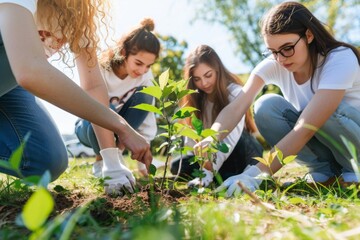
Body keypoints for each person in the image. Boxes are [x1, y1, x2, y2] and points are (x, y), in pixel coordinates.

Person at [195, 1, 360, 197]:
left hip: (354, 142)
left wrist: (255, 174)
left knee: (324, 111)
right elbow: (238, 105)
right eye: (273, 52)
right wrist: (213, 137)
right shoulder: (277, 63)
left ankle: (354, 173)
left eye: (287, 48)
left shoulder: (339, 58)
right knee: (266, 107)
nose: (281, 59)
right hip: (326, 141)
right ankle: (325, 174)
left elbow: (306, 128)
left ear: (308, 35)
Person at [0, 0, 152, 195]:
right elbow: (30, 70)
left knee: (46, 161)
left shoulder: (79, 12)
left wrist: (111, 160)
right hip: (21, 72)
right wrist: (120, 125)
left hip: (11, 86)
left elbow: (93, 85)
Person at [75, 18, 160, 182]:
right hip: (87, 126)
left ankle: (117, 154)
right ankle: (102, 161)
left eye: (148, 66)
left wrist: (143, 160)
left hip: (119, 129)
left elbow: (147, 112)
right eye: (138, 63)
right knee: (107, 108)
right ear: (124, 53)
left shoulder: (145, 77)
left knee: (146, 95)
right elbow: (90, 107)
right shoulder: (101, 68)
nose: (143, 70)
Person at [170, 45, 263, 187]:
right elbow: (193, 142)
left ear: (217, 70)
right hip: (210, 158)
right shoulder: (196, 100)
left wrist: (207, 171)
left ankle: (221, 175)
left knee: (242, 146)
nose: (204, 83)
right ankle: (220, 175)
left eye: (208, 75)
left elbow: (230, 139)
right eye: (197, 79)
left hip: (237, 150)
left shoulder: (235, 92)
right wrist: (201, 161)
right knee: (177, 165)